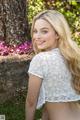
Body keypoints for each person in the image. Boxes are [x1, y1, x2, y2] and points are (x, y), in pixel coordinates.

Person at [25, 10, 80, 120]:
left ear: (57, 34)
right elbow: (51, 99)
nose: (37, 36)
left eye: (44, 31)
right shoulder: (72, 56)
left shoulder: (40, 59)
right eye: (35, 31)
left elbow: (31, 102)